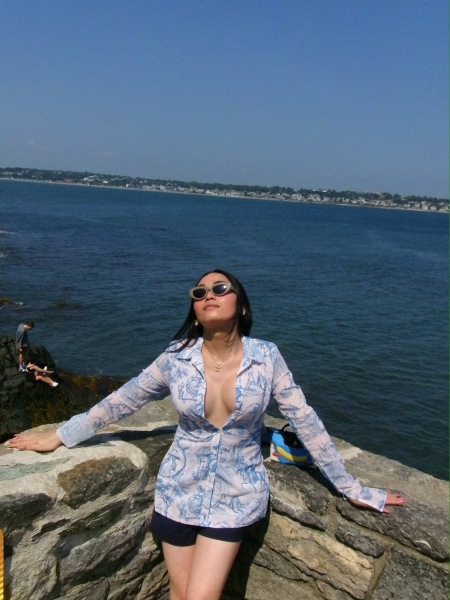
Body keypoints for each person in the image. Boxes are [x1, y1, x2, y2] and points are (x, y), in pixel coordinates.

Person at [6, 269, 406, 600]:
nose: (208, 295)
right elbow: (124, 400)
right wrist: (63, 435)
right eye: (199, 293)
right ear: (196, 311)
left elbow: (305, 419)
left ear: (241, 305)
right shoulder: (176, 357)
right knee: (181, 594)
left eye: (220, 288)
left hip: (236, 496)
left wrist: (351, 487)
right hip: (177, 492)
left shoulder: (267, 358)